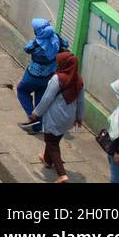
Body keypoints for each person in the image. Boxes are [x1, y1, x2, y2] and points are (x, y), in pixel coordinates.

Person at [21, 50, 85, 183]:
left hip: (56, 116)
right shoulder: (79, 80)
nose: (57, 64)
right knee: (54, 138)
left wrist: (36, 113)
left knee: (51, 142)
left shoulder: (57, 79)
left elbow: (47, 98)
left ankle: (62, 174)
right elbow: (81, 102)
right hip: (69, 118)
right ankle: (47, 159)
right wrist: (79, 117)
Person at [17, 18, 68, 133]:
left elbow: (27, 49)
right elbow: (65, 44)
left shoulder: (36, 44)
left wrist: (37, 39)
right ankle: (37, 127)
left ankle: (32, 117)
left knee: (22, 90)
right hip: (49, 75)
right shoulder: (56, 39)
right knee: (40, 99)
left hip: (33, 75)